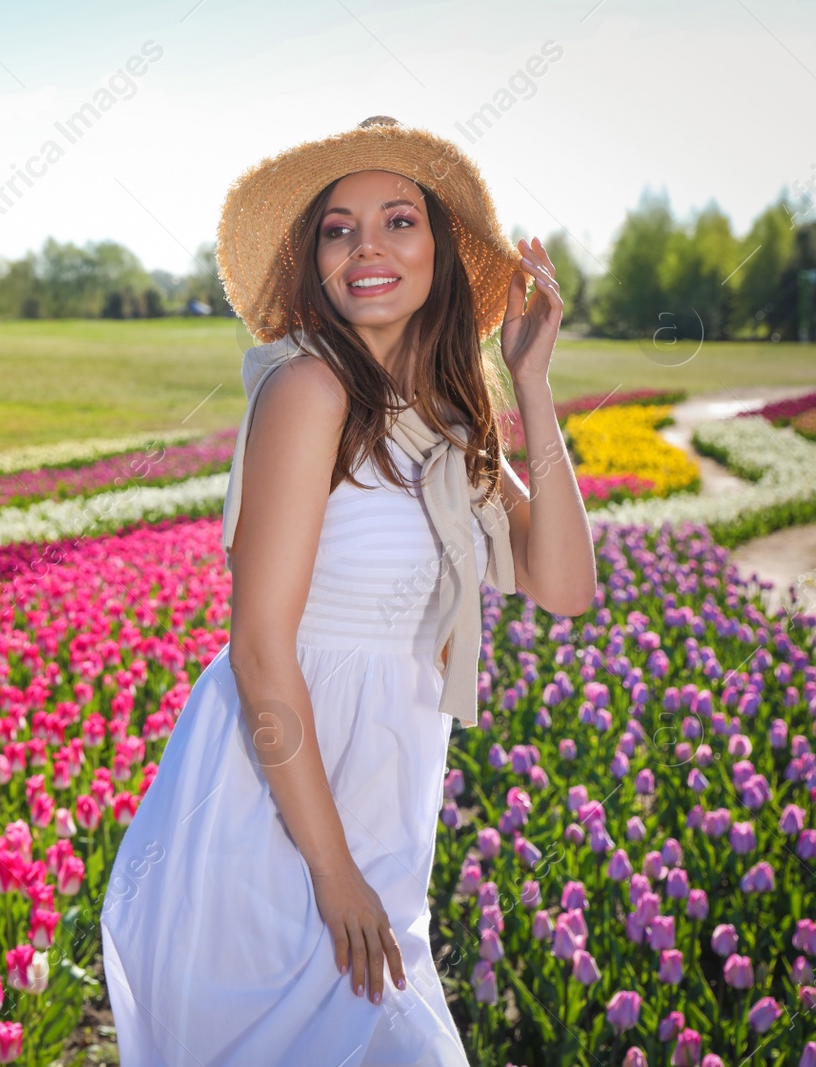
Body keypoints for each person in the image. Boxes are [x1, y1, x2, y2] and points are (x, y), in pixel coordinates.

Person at [98, 116, 598, 1066]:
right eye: (338, 227)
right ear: (313, 260)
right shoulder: (310, 392)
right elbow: (259, 648)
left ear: (441, 253)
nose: (367, 245)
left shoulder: (447, 421)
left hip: (379, 816)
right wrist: (332, 873)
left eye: (399, 219)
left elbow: (564, 586)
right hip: (272, 817)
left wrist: (531, 386)